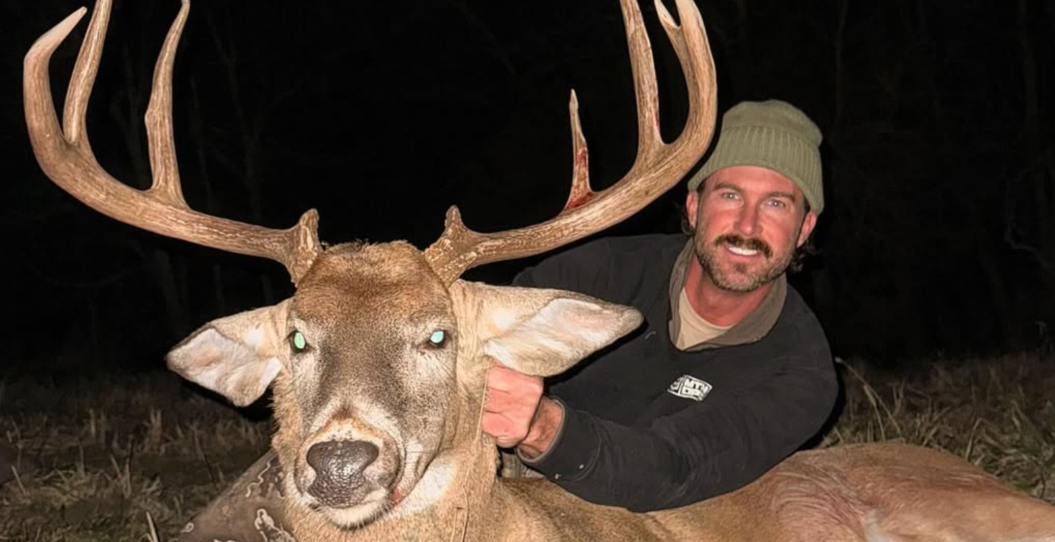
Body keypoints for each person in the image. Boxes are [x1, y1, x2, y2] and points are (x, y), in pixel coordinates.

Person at [177, 99, 839, 539]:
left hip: (642, 508)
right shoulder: (601, 271)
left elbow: (676, 467)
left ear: (805, 224)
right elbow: (426, 334)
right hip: (490, 483)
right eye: (728, 194)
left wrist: (543, 426)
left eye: (776, 204)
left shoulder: (801, 370)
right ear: (693, 207)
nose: (747, 225)